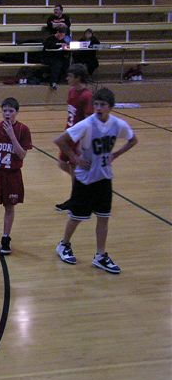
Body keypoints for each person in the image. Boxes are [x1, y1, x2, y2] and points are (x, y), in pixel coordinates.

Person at [54, 88, 138, 274]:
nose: (98, 108)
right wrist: (75, 159)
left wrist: (116, 154)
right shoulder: (87, 124)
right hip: (85, 179)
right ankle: (63, 244)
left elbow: (133, 140)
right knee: (76, 216)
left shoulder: (118, 124)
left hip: (104, 177)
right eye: (96, 104)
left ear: (110, 107)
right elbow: (60, 140)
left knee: (103, 217)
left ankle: (100, 255)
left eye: (102, 105)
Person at [0, 97, 32, 255]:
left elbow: (22, 155)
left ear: (17, 112)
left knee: (9, 207)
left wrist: (12, 136)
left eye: (11, 111)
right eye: (5, 110)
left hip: (13, 174)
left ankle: (5, 238)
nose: (7, 113)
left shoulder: (23, 130)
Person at [55, 63, 93, 212]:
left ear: (78, 78)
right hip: (69, 135)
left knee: (74, 167)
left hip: (78, 138)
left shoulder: (86, 96)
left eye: (70, 76)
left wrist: (82, 143)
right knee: (62, 164)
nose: (67, 78)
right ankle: (82, 192)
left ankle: (76, 199)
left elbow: (89, 122)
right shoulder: (71, 91)